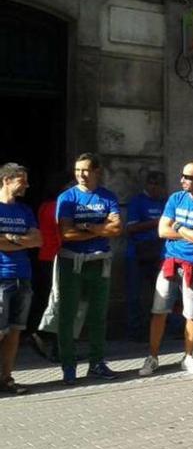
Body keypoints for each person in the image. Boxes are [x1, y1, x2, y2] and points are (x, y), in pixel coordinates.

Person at [139, 161, 193, 376]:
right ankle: (152, 357)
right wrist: (187, 230)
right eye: (182, 176)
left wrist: (178, 226)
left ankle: (189, 357)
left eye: (189, 177)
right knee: (158, 311)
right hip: (170, 262)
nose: (183, 180)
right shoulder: (176, 198)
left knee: (192, 315)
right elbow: (162, 231)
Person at [56, 153, 122, 384]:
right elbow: (66, 233)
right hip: (71, 262)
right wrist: (98, 228)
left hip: (100, 261)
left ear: (97, 171)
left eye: (85, 170)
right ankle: (68, 366)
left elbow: (116, 230)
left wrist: (84, 226)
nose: (81, 175)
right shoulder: (67, 197)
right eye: (77, 170)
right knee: (68, 316)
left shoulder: (107, 196)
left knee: (98, 316)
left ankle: (96, 363)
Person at [0, 163, 42, 395]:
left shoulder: (25, 210)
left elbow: (37, 240)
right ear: (6, 180)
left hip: (23, 276)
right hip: (1, 277)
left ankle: (6, 378)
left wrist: (8, 237)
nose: (27, 185)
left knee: (15, 331)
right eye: (22, 180)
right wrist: (21, 239)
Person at [27, 173, 67, 360]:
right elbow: (63, 232)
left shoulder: (44, 206)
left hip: (44, 257)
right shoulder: (57, 207)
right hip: (55, 258)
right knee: (59, 302)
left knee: (48, 299)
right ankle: (43, 335)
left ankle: (49, 341)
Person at [124, 171, 166, 341]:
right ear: (146, 184)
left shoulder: (165, 202)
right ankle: (135, 331)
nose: (154, 187)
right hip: (137, 253)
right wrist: (157, 222)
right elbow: (130, 227)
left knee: (163, 293)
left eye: (158, 184)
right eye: (151, 183)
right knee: (134, 295)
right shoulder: (137, 202)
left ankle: (164, 327)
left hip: (159, 252)